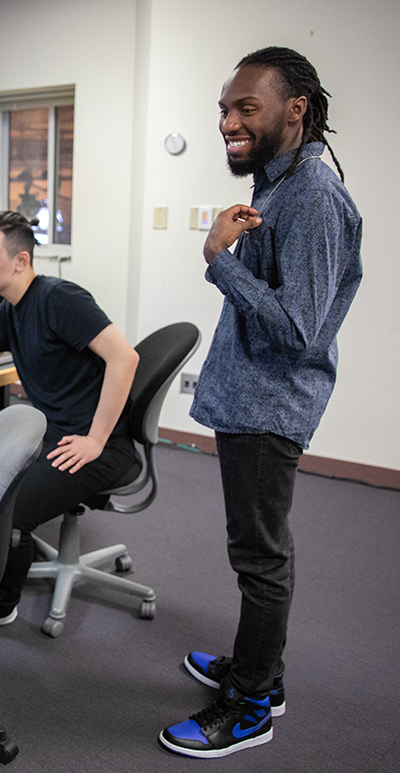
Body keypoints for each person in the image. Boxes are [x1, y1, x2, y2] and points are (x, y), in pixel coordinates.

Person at [159, 47, 361, 759]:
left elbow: (299, 327)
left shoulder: (311, 194)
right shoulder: (280, 186)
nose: (228, 121)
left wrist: (218, 260)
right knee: (255, 549)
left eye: (247, 107)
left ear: (296, 110)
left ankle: (250, 705)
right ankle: (259, 673)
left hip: (271, 407)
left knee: (261, 556)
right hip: (253, 401)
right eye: (224, 108)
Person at [0, 210, 139, 631]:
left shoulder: (59, 298)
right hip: (49, 430)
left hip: (90, 445)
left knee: (9, 508)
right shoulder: (11, 309)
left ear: (21, 261)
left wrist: (96, 440)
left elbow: (125, 357)